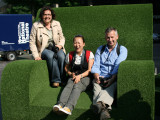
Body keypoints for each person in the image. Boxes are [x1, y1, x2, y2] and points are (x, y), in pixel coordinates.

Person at [91, 27, 128, 120]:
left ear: (117, 37)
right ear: (105, 38)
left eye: (112, 37)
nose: (110, 40)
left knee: (107, 90)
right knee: (96, 87)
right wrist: (96, 76)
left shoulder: (122, 49)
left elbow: (118, 66)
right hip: (100, 78)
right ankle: (104, 110)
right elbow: (96, 65)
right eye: (108, 37)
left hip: (113, 78)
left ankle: (99, 105)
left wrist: (112, 79)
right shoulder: (100, 49)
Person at [53, 35, 94, 115]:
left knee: (77, 86)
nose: (77, 45)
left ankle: (68, 107)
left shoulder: (89, 54)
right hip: (74, 76)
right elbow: (66, 67)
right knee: (69, 85)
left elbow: (90, 70)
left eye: (79, 43)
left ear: (83, 44)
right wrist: (70, 73)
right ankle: (60, 104)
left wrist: (80, 76)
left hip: (86, 77)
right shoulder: (70, 55)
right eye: (75, 43)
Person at [29, 6, 65, 87]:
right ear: (42, 16)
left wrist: (60, 45)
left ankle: (63, 79)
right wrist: (36, 56)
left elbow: (62, 37)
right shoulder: (36, 26)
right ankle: (55, 80)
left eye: (49, 14)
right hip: (44, 49)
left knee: (61, 56)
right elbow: (32, 42)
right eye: (45, 14)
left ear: (52, 16)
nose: (47, 16)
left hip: (56, 47)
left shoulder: (57, 24)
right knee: (50, 55)